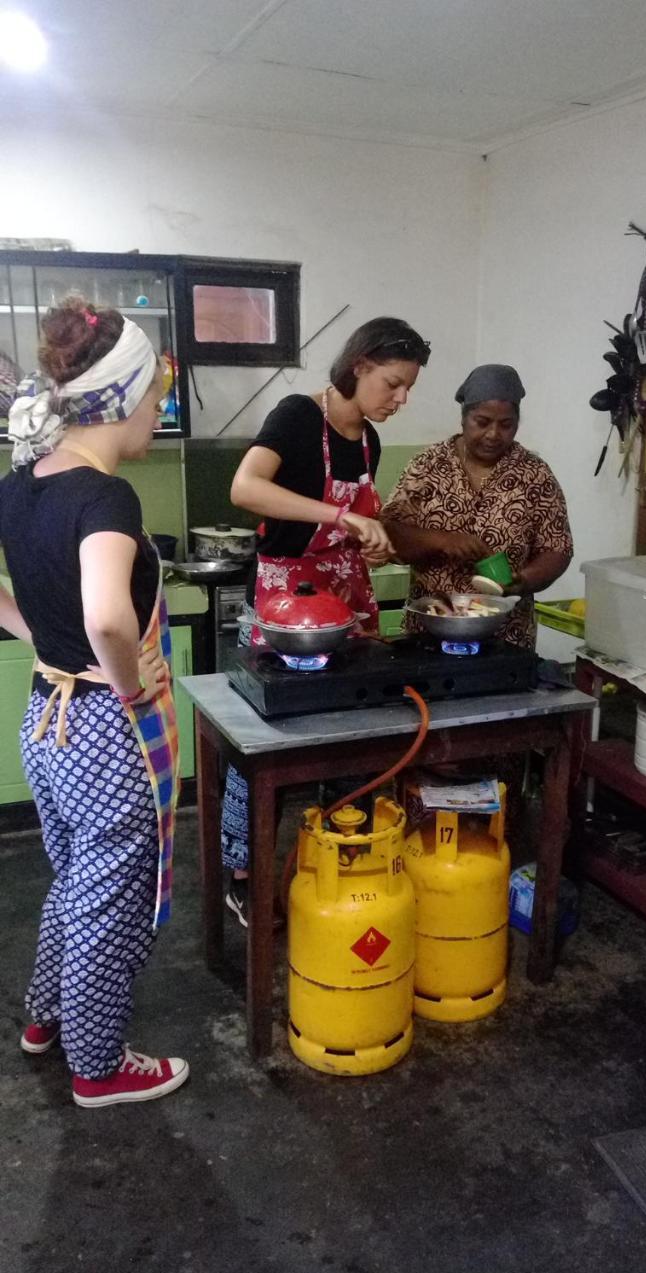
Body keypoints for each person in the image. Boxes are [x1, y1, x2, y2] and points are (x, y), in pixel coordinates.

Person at [0, 295, 188, 1108]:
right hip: (105, 733)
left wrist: (37, 637)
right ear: (126, 396)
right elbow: (109, 615)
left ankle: (45, 1018)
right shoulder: (107, 499)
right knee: (108, 901)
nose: (158, 412)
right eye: (157, 397)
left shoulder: (23, 484)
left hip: (46, 720)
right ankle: (99, 1065)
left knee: (76, 878)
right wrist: (129, 683)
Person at [221, 316, 431, 924]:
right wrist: (340, 520)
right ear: (359, 365)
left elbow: (362, 516)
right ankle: (243, 872)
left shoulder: (368, 439)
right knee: (260, 744)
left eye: (408, 387)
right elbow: (246, 487)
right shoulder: (295, 415)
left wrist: (375, 538)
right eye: (392, 383)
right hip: (286, 599)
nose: (401, 399)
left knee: (352, 728)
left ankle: (339, 850)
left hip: (347, 596)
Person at [381, 363, 573, 649]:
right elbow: (389, 535)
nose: (494, 434)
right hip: (430, 631)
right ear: (463, 418)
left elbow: (557, 549)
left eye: (506, 425)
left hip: (506, 636)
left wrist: (523, 580)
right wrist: (441, 541)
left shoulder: (535, 474)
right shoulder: (428, 465)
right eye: (482, 422)